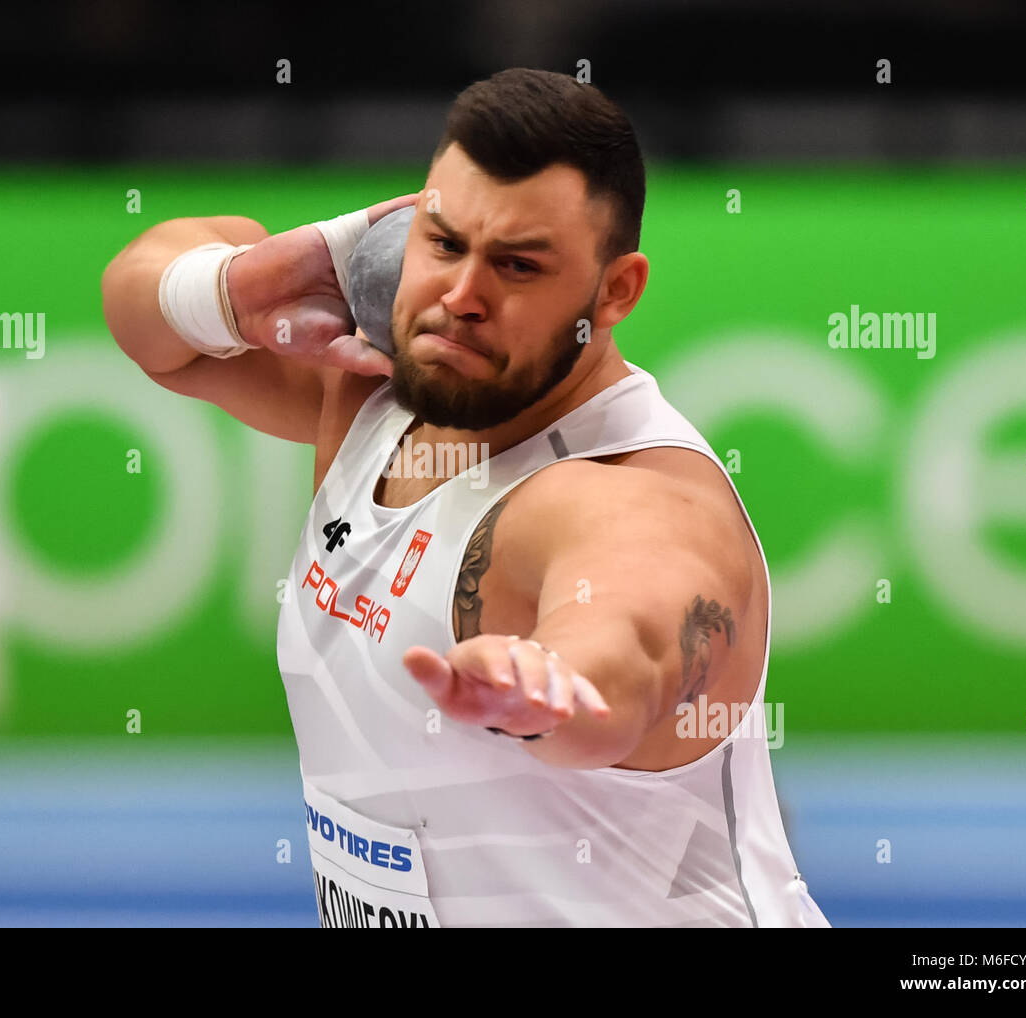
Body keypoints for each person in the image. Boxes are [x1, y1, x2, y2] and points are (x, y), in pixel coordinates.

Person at [102, 67, 829, 928]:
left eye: (518, 266)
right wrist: (237, 289)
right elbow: (145, 324)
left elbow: (624, 654)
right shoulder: (373, 394)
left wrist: (549, 689)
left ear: (616, 291)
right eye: (444, 245)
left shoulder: (623, 498)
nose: (461, 300)